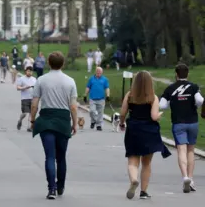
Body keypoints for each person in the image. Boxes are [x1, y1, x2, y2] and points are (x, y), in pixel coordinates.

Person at [30, 51, 78, 200]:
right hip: (63, 121)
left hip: (46, 120)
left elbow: (34, 103)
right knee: (61, 157)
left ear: (48, 63)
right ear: (62, 64)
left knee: (49, 156)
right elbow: (74, 106)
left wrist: (32, 120)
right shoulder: (70, 81)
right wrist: (75, 123)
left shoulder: (41, 80)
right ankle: (60, 186)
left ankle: (51, 188)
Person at [119, 71, 171, 200]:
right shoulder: (153, 97)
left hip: (134, 130)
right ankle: (143, 191)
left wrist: (121, 123)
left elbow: (122, 113)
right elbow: (154, 116)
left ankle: (134, 180)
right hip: (149, 132)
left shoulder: (129, 95)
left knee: (132, 160)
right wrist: (159, 115)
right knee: (146, 163)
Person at [159, 64, 203, 193]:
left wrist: (173, 102)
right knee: (191, 150)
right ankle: (191, 178)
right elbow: (200, 101)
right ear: (187, 74)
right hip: (193, 122)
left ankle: (184, 177)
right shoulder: (194, 87)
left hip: (178, 122)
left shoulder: (170, 88)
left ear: (176, 74)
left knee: (181, 150)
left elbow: (162, 105)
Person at [83, 67, 110, 131]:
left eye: (100, 72)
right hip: (92, 99)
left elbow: (107, 88)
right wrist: (85, 95)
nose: (99, 73)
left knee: (100, 113)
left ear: (102, 72)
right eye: (97, 72)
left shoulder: (105, 79)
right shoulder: (91, 79)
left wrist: (108, 95)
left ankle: (98, 125)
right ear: (96, 72)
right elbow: (88, 87)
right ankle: (93, 121)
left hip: (101, 99)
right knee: (92, 111)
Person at [16, 66, 37, 132]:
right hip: (25, 98)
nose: (29, 72)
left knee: (32, 113)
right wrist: (24, 88)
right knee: (25, 113)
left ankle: (29, 127)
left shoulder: (34, 79)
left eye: (31, 71)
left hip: (33, 98)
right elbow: (18, 88)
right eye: (28, 71)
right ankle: (20, 120)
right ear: (26, 71)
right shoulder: (21, 79)